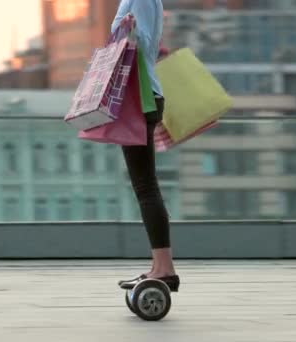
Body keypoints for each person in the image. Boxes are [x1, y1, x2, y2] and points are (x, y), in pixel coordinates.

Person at [112, 0, 180, 292]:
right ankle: (159, 266)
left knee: (146, 187)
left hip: (140, 96)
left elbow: (138, 42)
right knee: (145, 186)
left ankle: (164, 269)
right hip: (144, 94)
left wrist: (125, 30)